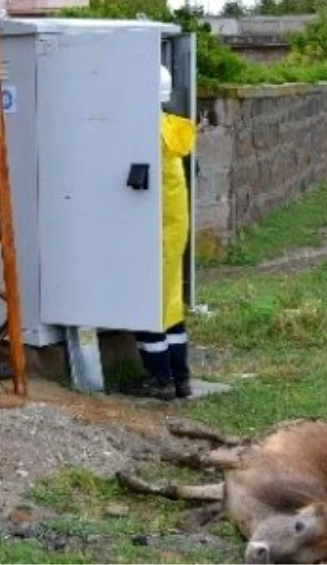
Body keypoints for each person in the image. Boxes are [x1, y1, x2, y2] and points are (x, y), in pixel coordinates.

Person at [118, 64, 196, 401]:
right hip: (173, 230)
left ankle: (159, 379)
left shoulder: (142, 133)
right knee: (170, 305)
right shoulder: (169, 128)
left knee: (145, 303)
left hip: (154, 231)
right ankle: (180, 378)